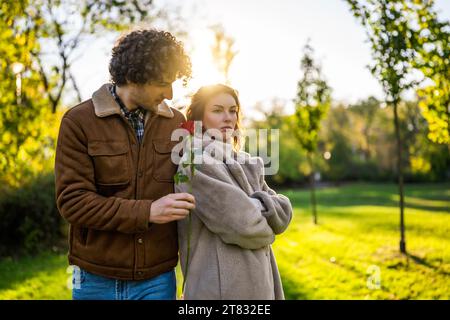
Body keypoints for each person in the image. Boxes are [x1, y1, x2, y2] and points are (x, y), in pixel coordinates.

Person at [54, 28, 195, 300]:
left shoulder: (178, 124)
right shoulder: (78, 121)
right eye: (163, 82)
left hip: (158, 279)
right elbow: (73, 201)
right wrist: (147, 212)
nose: (170, 92)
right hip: (94, 278)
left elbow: (203, 175)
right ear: (133, 77)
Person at [175, 84, 293, 299]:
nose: (228, 117)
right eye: (217, 110)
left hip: (261, 282)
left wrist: (255, 206)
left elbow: (284, 214)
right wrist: (266, 210)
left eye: (233, 110)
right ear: (200, 118)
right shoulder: (195, 162)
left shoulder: (247, 162)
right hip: (221, 289)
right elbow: (247, 226)